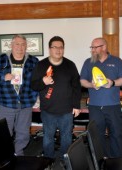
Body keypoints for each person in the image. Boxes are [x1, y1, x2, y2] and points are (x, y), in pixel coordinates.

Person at [31, 36, 81, 168]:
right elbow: (33, 85)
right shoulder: (41, 65)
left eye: (61, 47)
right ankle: (48, 160)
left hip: (67, 110)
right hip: (48, 111)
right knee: (48, 138)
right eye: (55, 47)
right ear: (49, 49)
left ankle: (66, 160)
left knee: (66, 138)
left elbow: (76, 87)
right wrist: (43, 81)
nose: (58, 50)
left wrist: (76, 105)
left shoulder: (70, 65)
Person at [0, 34, 38, 156]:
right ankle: (4, 156)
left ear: (26, 46)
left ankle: (18, 154)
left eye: (23, 44)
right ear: (11, 45)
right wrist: (3, 77)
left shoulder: (33, 61)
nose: (20, 47)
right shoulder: (1, 60)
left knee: (23, 133)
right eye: (17, 44)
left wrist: (34, 97)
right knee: (3, 132)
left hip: (25, 104)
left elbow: (39, 80)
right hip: (6, 103)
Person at [80, 37, 122, 158]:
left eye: (95, 47)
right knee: (96, 135)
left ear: (104, 47)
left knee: (116, 134)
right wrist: (91, 85)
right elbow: (82, 81)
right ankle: (99, 160)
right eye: (92, 48)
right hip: (95, 106)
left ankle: (116, 161)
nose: (93, 50)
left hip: (113, 106)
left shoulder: (117, 61)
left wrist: (112, 83)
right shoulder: (88, 62)